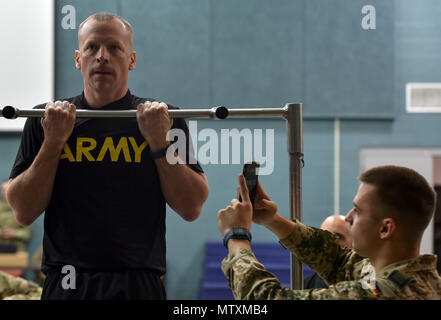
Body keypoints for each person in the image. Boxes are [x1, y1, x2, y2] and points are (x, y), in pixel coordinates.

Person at [6, 12, 209, 300]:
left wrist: (159, 142)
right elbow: (23, 211)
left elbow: (192, 207)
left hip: (139, 282)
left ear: (131, 59)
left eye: (114, 47)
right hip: (67, 280)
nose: (102, 56)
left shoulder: (164, 119)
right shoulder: (47, 119)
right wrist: (53, 143)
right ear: (78, 59)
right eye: (92, 47)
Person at [218, 165, 441, 299]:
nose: (349, 217)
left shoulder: (386, 293)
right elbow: (337, 260)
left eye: (358, 210)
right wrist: (273, 220)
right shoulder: (414, 275)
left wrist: (236, 236)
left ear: (385, 228)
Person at [303, 215, 352, 289]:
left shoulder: (366, 280)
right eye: (323, 238)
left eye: (337, 237)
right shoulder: (307, 284)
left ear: (354, 242)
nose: (328, 243)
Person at [0, 181, 31, 252]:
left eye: (7, 189)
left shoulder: (22, 209)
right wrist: (3, 232)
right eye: (3, 190)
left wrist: (14, 233)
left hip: (17, 249)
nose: (5, 192)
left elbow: (27, 233)